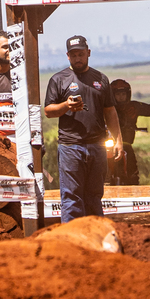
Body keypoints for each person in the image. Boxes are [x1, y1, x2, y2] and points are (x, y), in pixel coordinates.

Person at [43, 34, 123, 221]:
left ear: (88, 53)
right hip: (70, 146)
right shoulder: (58, 79)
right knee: (71, 197)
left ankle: (94, 233)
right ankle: (72, 236)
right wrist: (66, 106)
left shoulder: (101, 79)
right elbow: (48, 111)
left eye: (80, 54)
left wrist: (118, 140)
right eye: (73, 55)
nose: (77, 58)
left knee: (94, 196)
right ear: (67, 56)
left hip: (97, 146)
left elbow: (110, 111)